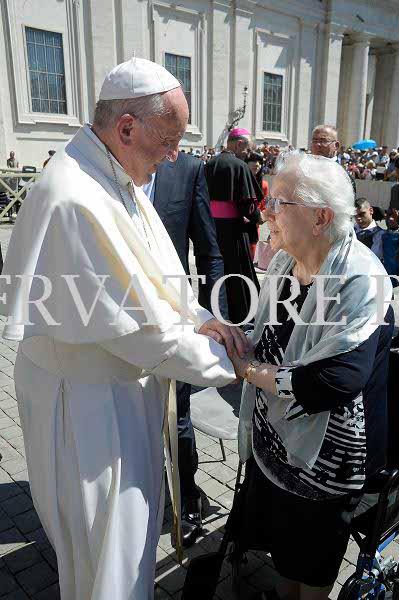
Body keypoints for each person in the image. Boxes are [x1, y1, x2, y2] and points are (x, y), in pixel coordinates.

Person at [0, 57, 248, 600]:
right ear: (128, 127)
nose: (175, 154)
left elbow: (159, 273)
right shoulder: (75, 197)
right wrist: (236, 365)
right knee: (107, 559)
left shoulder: (116, 175)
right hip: (89, 412)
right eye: (169, 139)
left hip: (121, 396)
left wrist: (204, 320)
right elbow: (143, 335)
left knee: (128, 544)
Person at [229, 152, 393, 600]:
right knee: (284, 553)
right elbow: (266, 335)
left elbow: (332, 383)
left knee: (312, 565)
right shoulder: (286, 264)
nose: (266, 212)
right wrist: (230, 338)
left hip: (327, 463)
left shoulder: (360, 280)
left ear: (320, 218)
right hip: (275, 441)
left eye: (279, 203)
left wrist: (249, 371)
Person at [142, 150, 228, 546]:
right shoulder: (101, 163)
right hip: (116, 320)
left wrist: (216, 319)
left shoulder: (187, 169)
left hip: (174, 316)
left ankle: (187, 495)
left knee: (177, 417)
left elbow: (209, 251)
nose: (174, 147)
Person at [205, 127, 264, 324]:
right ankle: (240, 314)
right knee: (237, 272)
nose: (248, 154)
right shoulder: (239, 165)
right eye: (247, 149)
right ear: (239, 144)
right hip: (233, 231)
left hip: (213, 229)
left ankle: (214, 310)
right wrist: (258, 218)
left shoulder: (210, 163)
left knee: (216, 270)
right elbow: (247, 204)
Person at [311, 124, 356, 197]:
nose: (318, 144)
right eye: (315, 140)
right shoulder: (303, 169)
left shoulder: (344, 176)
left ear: (336, 145)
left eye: (323, 141)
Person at [382, 208, 399, 286]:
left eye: (394, 216)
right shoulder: (381, 235)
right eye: (389, 215)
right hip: (388, 282)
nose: (391, 219)